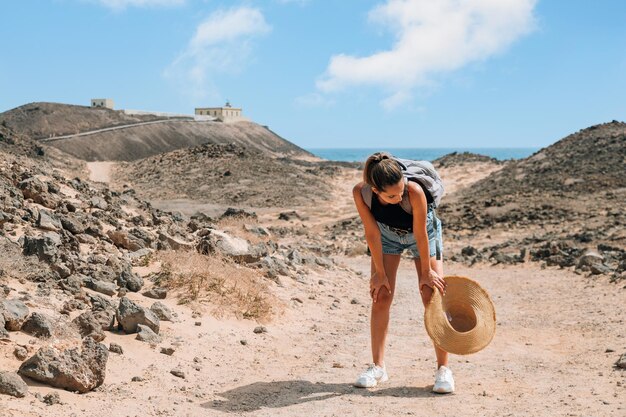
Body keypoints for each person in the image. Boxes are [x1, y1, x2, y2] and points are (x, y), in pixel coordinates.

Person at [352, 152, 454, 394]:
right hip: (386, 236)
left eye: (401, 191)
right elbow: (372, 233)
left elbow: (420, 234)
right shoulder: (361, 193)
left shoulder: (414, 191)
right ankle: (378, 367)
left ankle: (443, 369)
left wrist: (427, 272)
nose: (399, 197)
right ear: (375, 190)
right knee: (381, 296)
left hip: (423, 234)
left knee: (431, 296)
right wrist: (378, 273)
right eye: (392, 195)